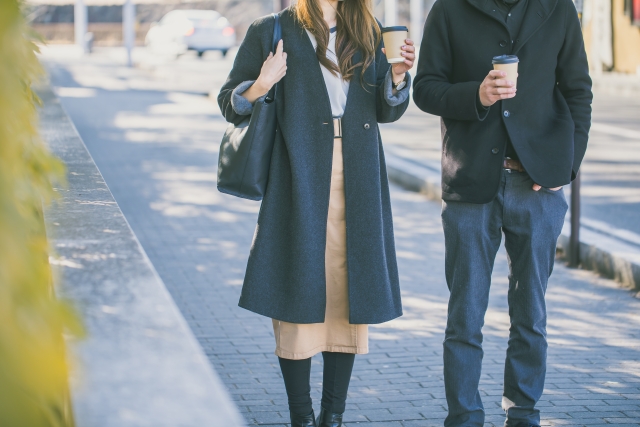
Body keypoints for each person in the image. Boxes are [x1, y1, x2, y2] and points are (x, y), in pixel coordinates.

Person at [218, 1, 414, 426]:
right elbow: (229, 103)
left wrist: (398, 76)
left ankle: (333, 415)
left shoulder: (366, 27)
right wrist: (261, 83)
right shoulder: (272, 29)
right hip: (298, 169)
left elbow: (386, 110)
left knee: (349, 289)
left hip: (358, 173)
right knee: (298, 282)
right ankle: (301, 416)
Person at [412, 0, 592, 425]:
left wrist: (566, 165)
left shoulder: (557, 8)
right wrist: (476, 94)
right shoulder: (449, 9)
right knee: (465, 317)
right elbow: (425, 87)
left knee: (531, 314)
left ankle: (523, 414)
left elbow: (578, 90)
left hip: (537, 185)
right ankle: (464, 417)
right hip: (472, 182)